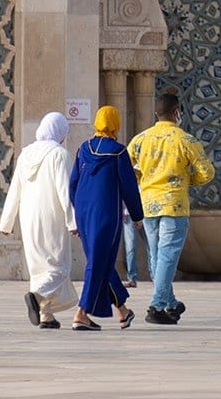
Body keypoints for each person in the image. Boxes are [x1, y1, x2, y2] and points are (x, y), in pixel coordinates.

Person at [128, 93, 215, 325]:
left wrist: (144, 179)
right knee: (167, 255)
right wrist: (186, 180)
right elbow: (207, 172)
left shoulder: (140, 140)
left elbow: (128, 170)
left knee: (157, 256)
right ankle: (156, 306)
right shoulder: (186, 140)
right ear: (177, 112)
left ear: (156, 113)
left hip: (148, 204)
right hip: (174, 204)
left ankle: (170, 303)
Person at [0, 111, 78, 328]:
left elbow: (15, 189)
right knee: (58, 267)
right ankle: (37, 295)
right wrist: (73, 222)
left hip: (28, 217)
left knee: (39, 267)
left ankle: (46, 315)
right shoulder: (59, 154)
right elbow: (65, 190)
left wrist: (6, 222)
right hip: (51, 216)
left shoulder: (26, 153)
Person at [68, 105, 144, 331]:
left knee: (102, 260)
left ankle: (122, 310)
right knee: (98, 261)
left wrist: (78, 212)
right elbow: (129, 187)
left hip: (84, 212)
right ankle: (82, 313)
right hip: (106, 214)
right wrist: (137, 215)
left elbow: (73, 184)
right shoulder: (119, 152)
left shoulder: (83, 149)